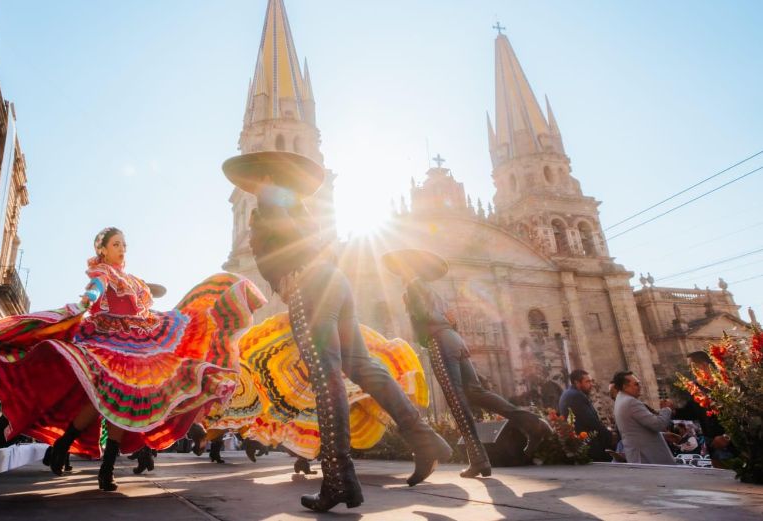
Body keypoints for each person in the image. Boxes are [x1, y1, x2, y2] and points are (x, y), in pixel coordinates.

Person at [0, 227, 265, 491]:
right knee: (112, 399)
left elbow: (145, 300)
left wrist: (151, 296)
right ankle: (80, 455)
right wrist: (85, 302)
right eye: (115, 244)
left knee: (121, 400)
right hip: (107, 340)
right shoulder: (103, 273)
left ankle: (89, 460)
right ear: (103, 249)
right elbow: (94, 293)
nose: (122, 248)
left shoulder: (133, 280)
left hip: (141, 341)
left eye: (124, 244)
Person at [224, 152, 451, 512]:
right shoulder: (299, 204)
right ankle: (423, 438)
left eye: (255, 180)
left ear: (264, 176)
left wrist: (294, 267)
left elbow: (287, 237)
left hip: (308, 285)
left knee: (325, 373)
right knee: (363, 367)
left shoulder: (272, 198)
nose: (253, 187)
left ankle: (338, 479)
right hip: (334, 280)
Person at [383, 249, 552, 478]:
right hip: (455, 341)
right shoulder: (434, 291)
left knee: (456, 400)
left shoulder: (413, 288)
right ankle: (534, 424)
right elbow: (450, 319)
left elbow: (425, 316)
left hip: (439, 343)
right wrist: (448, 323)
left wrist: (425, 324)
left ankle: (479, 459)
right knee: (476, 393)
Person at [611, 371, 675, 464]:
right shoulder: (631, 402)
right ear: (625, 387)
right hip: (646, 457)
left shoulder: (621, 400)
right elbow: (658, 424)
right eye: (636, 384)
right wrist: (666, 409)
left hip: (640, 456)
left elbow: (636, 431)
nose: (639, 387)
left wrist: (663, 435)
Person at [558, 369, 613, 462]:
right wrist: (609, 435)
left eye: (591, 381)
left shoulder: (568, 393)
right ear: (577, 382)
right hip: (589, 445)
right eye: (587, 382)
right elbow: (591, 421)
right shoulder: (576, 396)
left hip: (582, 444)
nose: (591, 384)